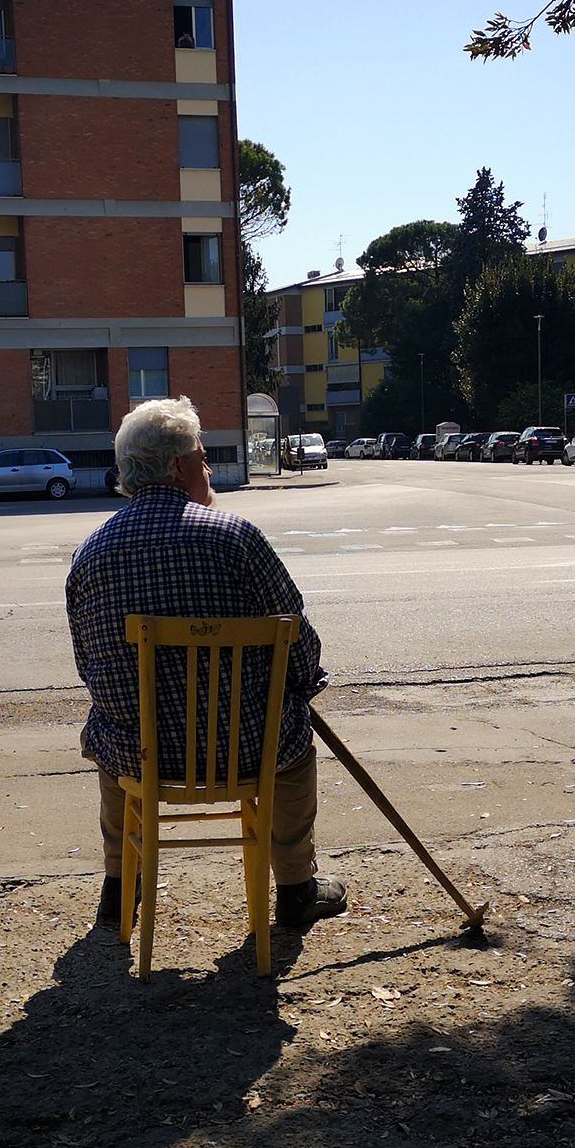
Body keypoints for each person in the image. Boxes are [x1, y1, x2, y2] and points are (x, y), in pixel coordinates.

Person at [65, 396, 347, 930]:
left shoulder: (91, 552)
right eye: (202, 455)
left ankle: (119, 888)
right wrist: (301, 687)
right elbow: (297, 640)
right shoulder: (237, 538)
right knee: (293, 744)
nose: (209, 468)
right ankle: (295, 888)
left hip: (140, 757)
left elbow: (89, 667)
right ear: (178, 467)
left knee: (107, 733)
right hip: (247, 750)